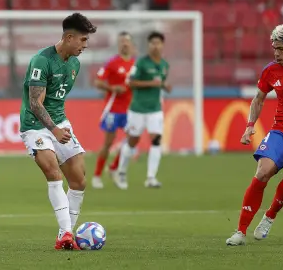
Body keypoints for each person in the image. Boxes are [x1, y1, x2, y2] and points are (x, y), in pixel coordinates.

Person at [226, 24, 283, 246]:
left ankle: (270, 216)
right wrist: (249, 125)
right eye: (274, 49)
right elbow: (258, 98)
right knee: (263, 171)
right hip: (280, 132)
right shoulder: (270, 70)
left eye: (281, 49)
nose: (277, 54)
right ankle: (240, 231)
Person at [19, 13, 97, 250]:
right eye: (82, 40)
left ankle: (67, 235)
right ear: (69, 37)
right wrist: (53, 129)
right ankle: (65, 234)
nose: (85, 45)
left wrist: (59, 127)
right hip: (36, 125)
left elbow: (57, 101)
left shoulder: (74, 63)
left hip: (60, 123)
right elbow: (35, 103)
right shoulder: (41, 60)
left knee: (79, 180)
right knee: (54, 174)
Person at [111, 31, 172, 190]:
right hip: (137, 109)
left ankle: (151, 177)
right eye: (152, 43)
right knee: (133, 141)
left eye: (158, 43)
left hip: (155, 109)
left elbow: (161, 82)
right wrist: (152, 83)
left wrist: (165, 86)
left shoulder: (165, 65)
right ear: (149, 45)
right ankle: (122, 171)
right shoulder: (141, 63)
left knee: (156, 139)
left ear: (162, 45)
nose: (155, 46)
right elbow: (130, 82)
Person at [92, 31, 135, 189]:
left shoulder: (135, 65)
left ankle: (114, 168)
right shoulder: (112, 63)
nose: (124, 44)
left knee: (131, 140)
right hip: (113, 109)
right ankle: (97, 175)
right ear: (118, 45)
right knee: (108, 143)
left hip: (129, 109)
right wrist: (112, 88)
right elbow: (98, 82)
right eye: (122, 41)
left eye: (127, 41)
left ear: (131, 45)